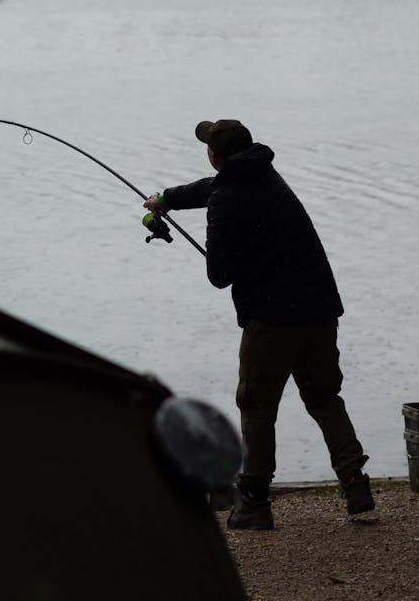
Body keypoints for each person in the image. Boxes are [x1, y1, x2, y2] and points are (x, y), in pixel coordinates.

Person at [144, 119, 373, 530]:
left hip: (272, 320)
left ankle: (253, 500)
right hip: (320, 309)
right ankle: (355, 482)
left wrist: (232, 253)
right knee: (324, 398)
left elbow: (219, 274)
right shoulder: (267, 173)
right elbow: (213, 188)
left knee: (256, 407)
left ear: (214, 156)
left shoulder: (226, 199)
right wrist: (166, 199)